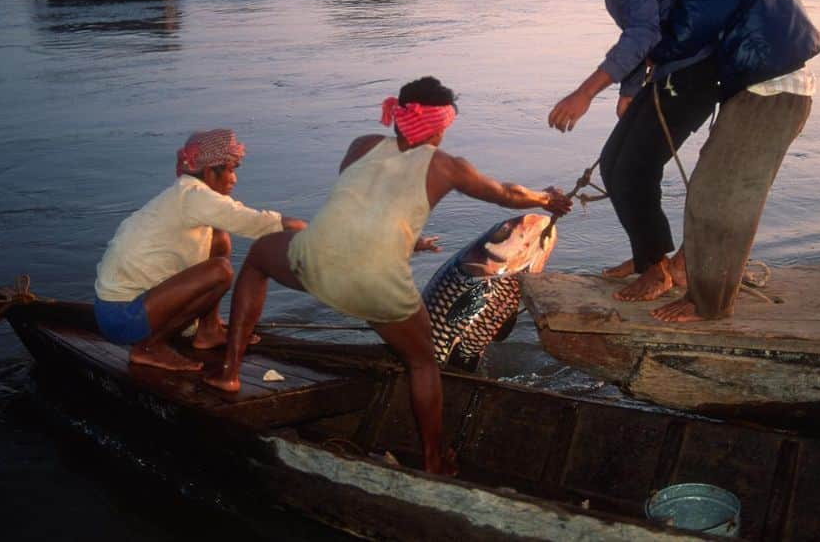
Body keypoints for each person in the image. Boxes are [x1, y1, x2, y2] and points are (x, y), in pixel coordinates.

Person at [204, 77, 572, 475]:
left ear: (397, 116)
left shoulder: (361, 146)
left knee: (258, 256)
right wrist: (546, 198)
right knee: (423, 363)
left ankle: (230, 373)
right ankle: (434, 460)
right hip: (375, 286)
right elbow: (507, 192)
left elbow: (358, 202)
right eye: (445, 127)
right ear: (438, 126)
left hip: (315, 261)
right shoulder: (448, 167)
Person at [646, 0, 820, 323]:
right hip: (769, 88)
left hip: (772, 93)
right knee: (713, 189)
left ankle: (709, 305)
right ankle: (691, 274)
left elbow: (692, 25)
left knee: (719, 200)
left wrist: (650, 53)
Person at [538, 0, 715, 302]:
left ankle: (657, 269)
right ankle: (647, 258)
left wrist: (586, 92)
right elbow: (650, 27)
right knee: (615, 163)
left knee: (634, 168)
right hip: (668, 68)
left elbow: (642, 32)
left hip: (694, 72)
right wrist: (631, 86)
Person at [93, 129, 306, 372]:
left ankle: (209, 329)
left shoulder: (187, 192)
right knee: (220, 271)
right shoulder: (195, 196)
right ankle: (149, 347)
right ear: (208, 172)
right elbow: (255, 223)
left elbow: (232, 221)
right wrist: (310, 230)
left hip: (129, 307)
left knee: (219, 238)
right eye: (230, 170)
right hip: (121, 316)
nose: (234, 179)